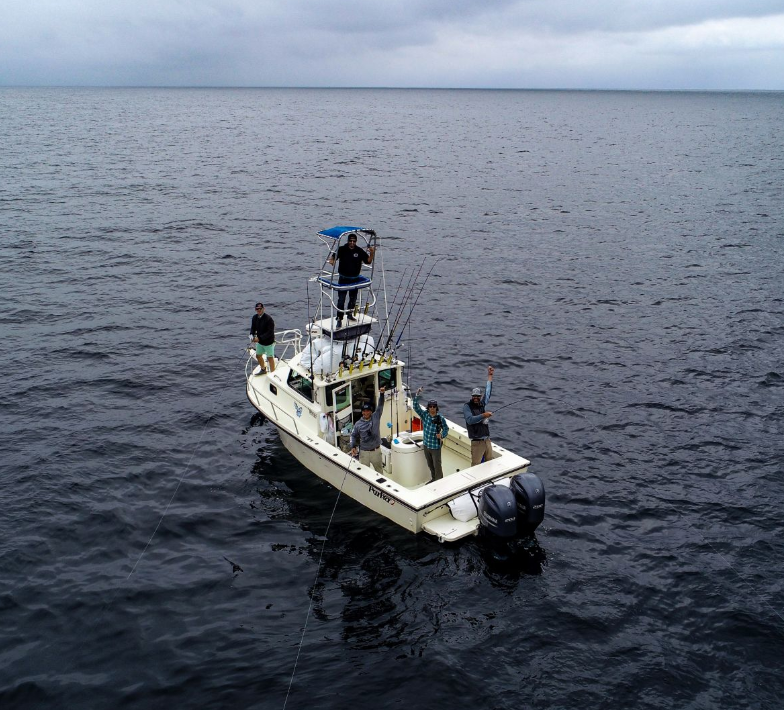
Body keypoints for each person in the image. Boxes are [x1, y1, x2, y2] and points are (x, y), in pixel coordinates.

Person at [328, 232, 375, 325]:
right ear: (348, 241)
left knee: (353, 299)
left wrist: (372, 253)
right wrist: (332, 261)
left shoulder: (359, 251)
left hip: (354, 280)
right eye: (350, 241)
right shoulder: (342, 249)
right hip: (343, 279)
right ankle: (339, 318)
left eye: (354, 241)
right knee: (341, 300)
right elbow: (333, 257)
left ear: (356, 241)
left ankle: (349, 314)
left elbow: (368, 261)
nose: (352, 243)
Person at [413, 388, 449, 481]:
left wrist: (442, 435)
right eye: (430, 406)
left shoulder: (440, 418)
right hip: (426, 445)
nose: (432, 408)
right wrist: (417, 395)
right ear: (428, 407)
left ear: (436, 408)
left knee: (437, 466)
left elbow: (446, 429)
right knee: (430, 464)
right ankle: (433, 479)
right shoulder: (425, 415)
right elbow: (416, 407)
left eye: (434, 406)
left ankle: (439, 481)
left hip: (435, 447)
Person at [463, 365, 494, 466]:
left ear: (480, 397)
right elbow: (470, 420)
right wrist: (484, 415)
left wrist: (490, 376)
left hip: (487, 440)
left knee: (489, 463)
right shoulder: (467, 406)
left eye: (478, 396)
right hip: (477, 443)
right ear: (471, 396)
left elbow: (488, 393)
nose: (476, 398)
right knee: (476, 465)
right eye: (474, 396)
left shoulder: (482, 404)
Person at [350, 387, 386, 472]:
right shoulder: (358, 424)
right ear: (362, 412)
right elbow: (353, 435)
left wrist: (382, 394)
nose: (366, 413)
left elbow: (380, 405)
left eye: (368, 411)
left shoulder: (376, 416)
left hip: (376, 451)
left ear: (371, 411)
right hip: (364, 452)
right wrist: (353, 446)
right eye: (364, 411)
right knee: (364, 473)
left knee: (379, 472)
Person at [250, 302, 275, 374]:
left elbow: (270, 332)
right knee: (258, 356)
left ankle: (273, 374)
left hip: (268, 343)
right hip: (260, 342)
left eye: (260, 309)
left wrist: (259, 338)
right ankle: (263, 369)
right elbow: (253, 328)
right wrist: (251, 336)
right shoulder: (254, 317)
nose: (259, 310)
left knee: (270, 358)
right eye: (257, 309)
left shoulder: (269, 319)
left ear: (263, 309)